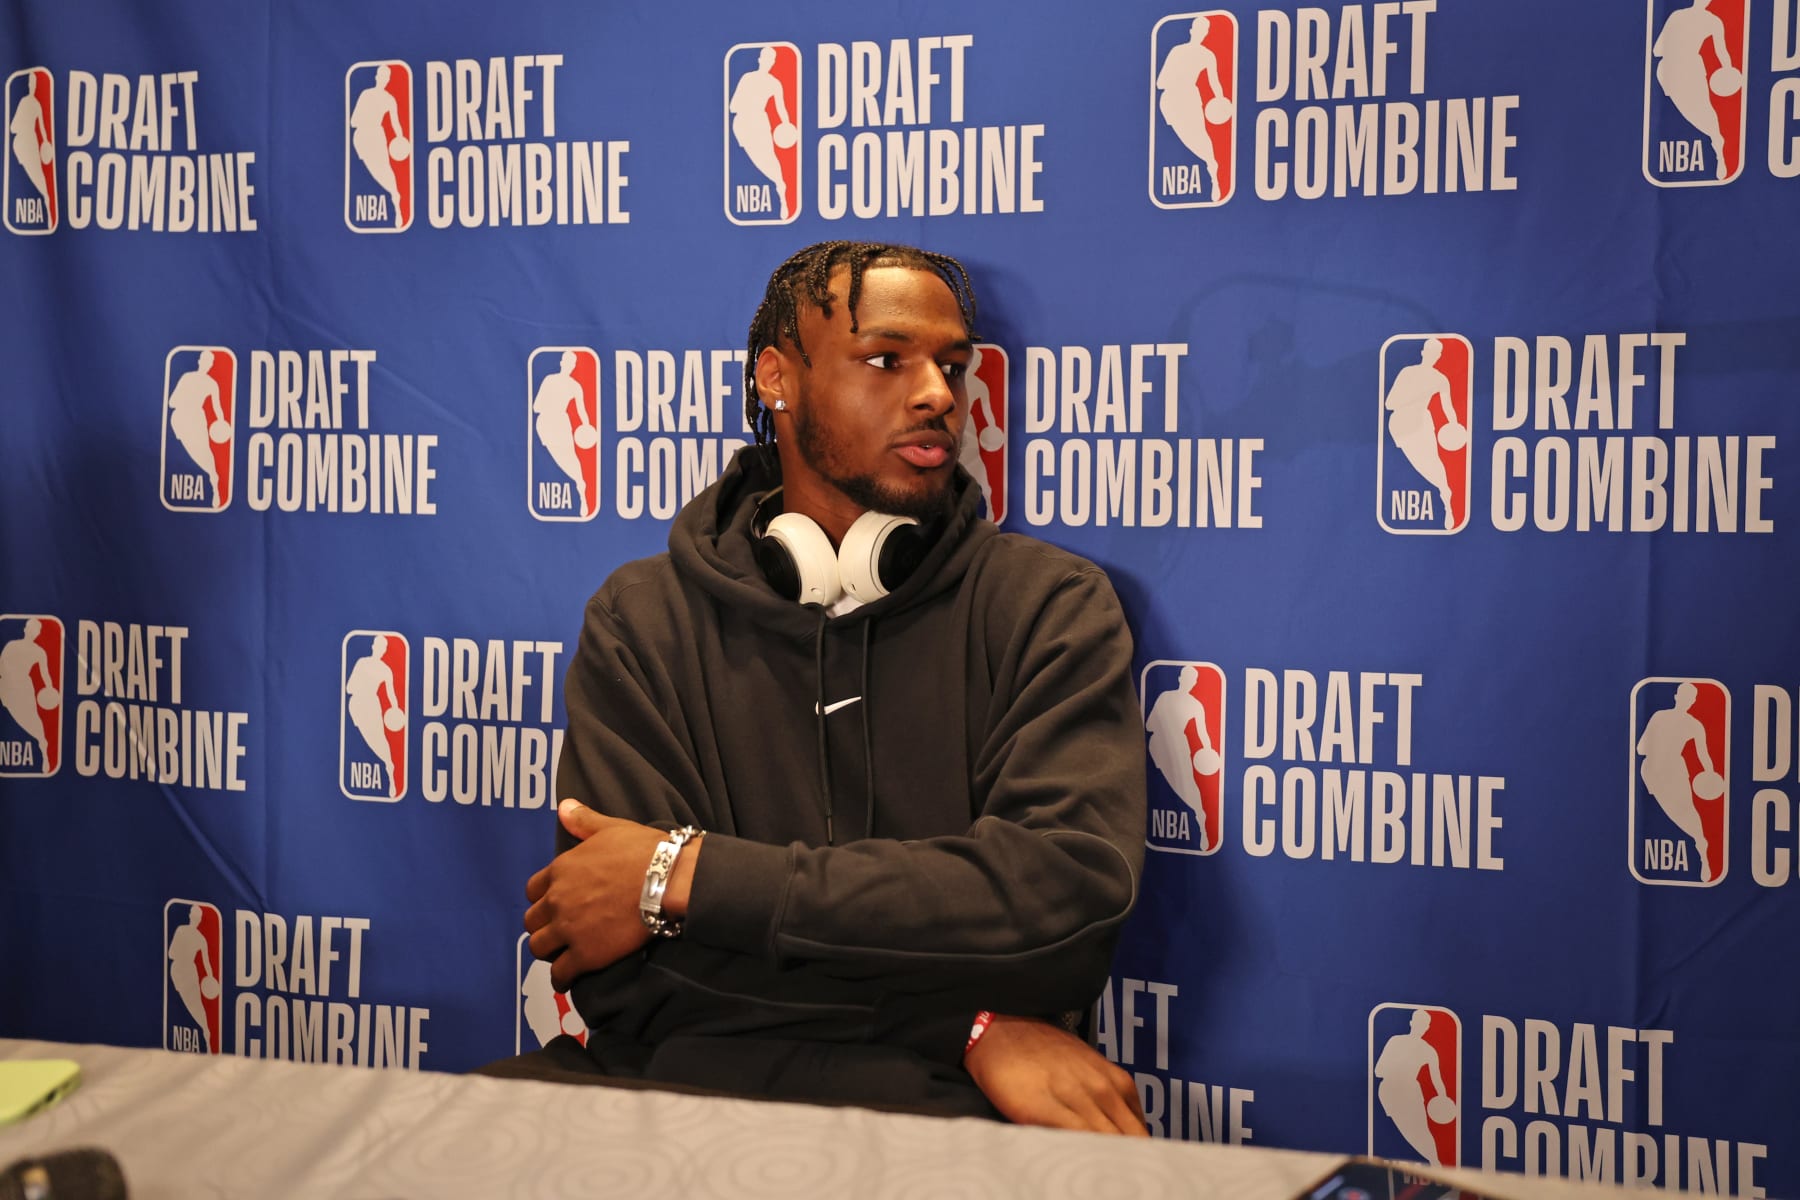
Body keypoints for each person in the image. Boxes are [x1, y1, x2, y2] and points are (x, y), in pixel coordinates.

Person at [518, 242, 1148, 1133]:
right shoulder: (642, 618)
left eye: (952, 366)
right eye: (887, 359)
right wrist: (963, 1025)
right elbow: (625, 970)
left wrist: (691, 877)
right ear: (777, 377)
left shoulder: (1048, 607)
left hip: (942, 1114)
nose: (937, 394)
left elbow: (1059, 907)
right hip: (666, 1087)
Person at [1637, 681, 1716, 882]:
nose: (1687, 701)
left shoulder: (1690, 724)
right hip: (1654, 773)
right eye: (1686, 697)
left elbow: (1641, 749)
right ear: (1679, 698)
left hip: (1671, 772)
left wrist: (1710, 774)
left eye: (1689, 698)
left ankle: (1702, 847)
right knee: (1676, 813)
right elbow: (1640, 748)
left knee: (1685, 812)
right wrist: (1709, 771)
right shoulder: (1666, 718)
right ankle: (1701, 842)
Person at [1652, 0, 1733, 181]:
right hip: (1672, 70)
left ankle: (1718, 143)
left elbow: (1658, 50)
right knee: (1691, 111)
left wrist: (1728, 71)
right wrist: (1727, 69)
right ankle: (1716, 139)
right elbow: (1657, 49)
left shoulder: (1709, 21)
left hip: (1683, 68)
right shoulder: (1691, 18)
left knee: (1702, 109)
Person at [1373, 1008, 1449, 1165]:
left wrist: (1443, 1098)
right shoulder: (1395, 1041)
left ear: (1427, 1027)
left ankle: (1436, 1166)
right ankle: (1434, 1164)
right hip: (1389, 1091)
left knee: (1422, 1132)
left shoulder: (1429, 1050)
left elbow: (1437, 1079)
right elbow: (1378, 1071)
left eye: (1425, 1024)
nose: (1422, 1027)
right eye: (1420, 1023)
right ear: (1411, 1023)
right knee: (1409, 1132)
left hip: (1411, 1092)